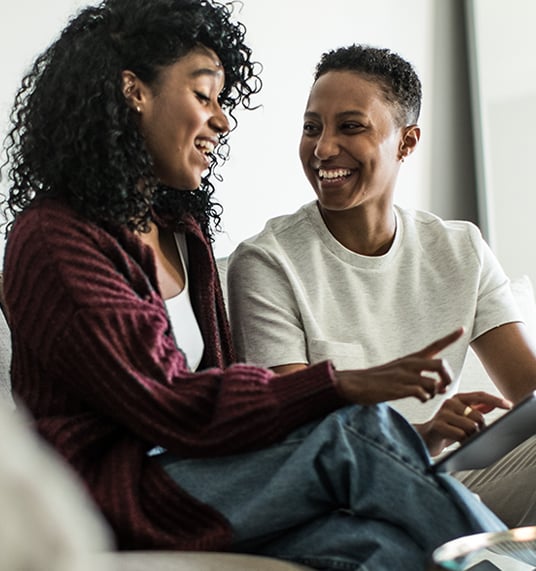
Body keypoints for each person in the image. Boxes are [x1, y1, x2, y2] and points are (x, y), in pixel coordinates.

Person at [1, 3, 506, 569]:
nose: (222, 120)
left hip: (205, 480)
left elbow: (218, 399)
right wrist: (343, 386)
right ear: (134, 92)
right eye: (203, 96)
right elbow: (170, 404)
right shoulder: (54, 240)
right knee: (354, 432)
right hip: (116, 500)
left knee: (381, 547)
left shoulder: (181, 233)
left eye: (222, 101)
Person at [227, 44, 536, 529]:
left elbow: (529, 389)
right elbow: (295, 431)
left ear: (407, 142)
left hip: (443, 478)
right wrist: (425, 434)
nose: (323, 148)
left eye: (350, 126)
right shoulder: (266, 262)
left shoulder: (460, 249)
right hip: (347, 494)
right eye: (312, 127)